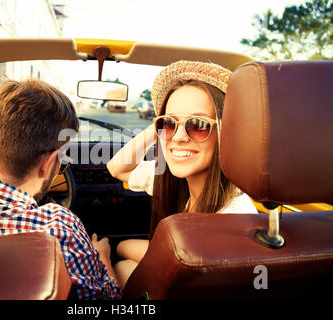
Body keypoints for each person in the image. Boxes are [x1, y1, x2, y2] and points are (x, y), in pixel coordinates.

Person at [107, 60, 258, 289]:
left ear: (228, 132)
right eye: (169, 124)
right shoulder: (177, 183)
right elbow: (117, 168)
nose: (178, 137)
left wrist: (103, 259)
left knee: (119, 262)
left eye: (197, 124)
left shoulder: (234, 219)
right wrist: (159, 124)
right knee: (122, 248)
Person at [0, 78, 121, 300]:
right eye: (62, 160)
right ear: (48, 164)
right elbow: (107, 300)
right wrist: (102, 255)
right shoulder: (59, 225)